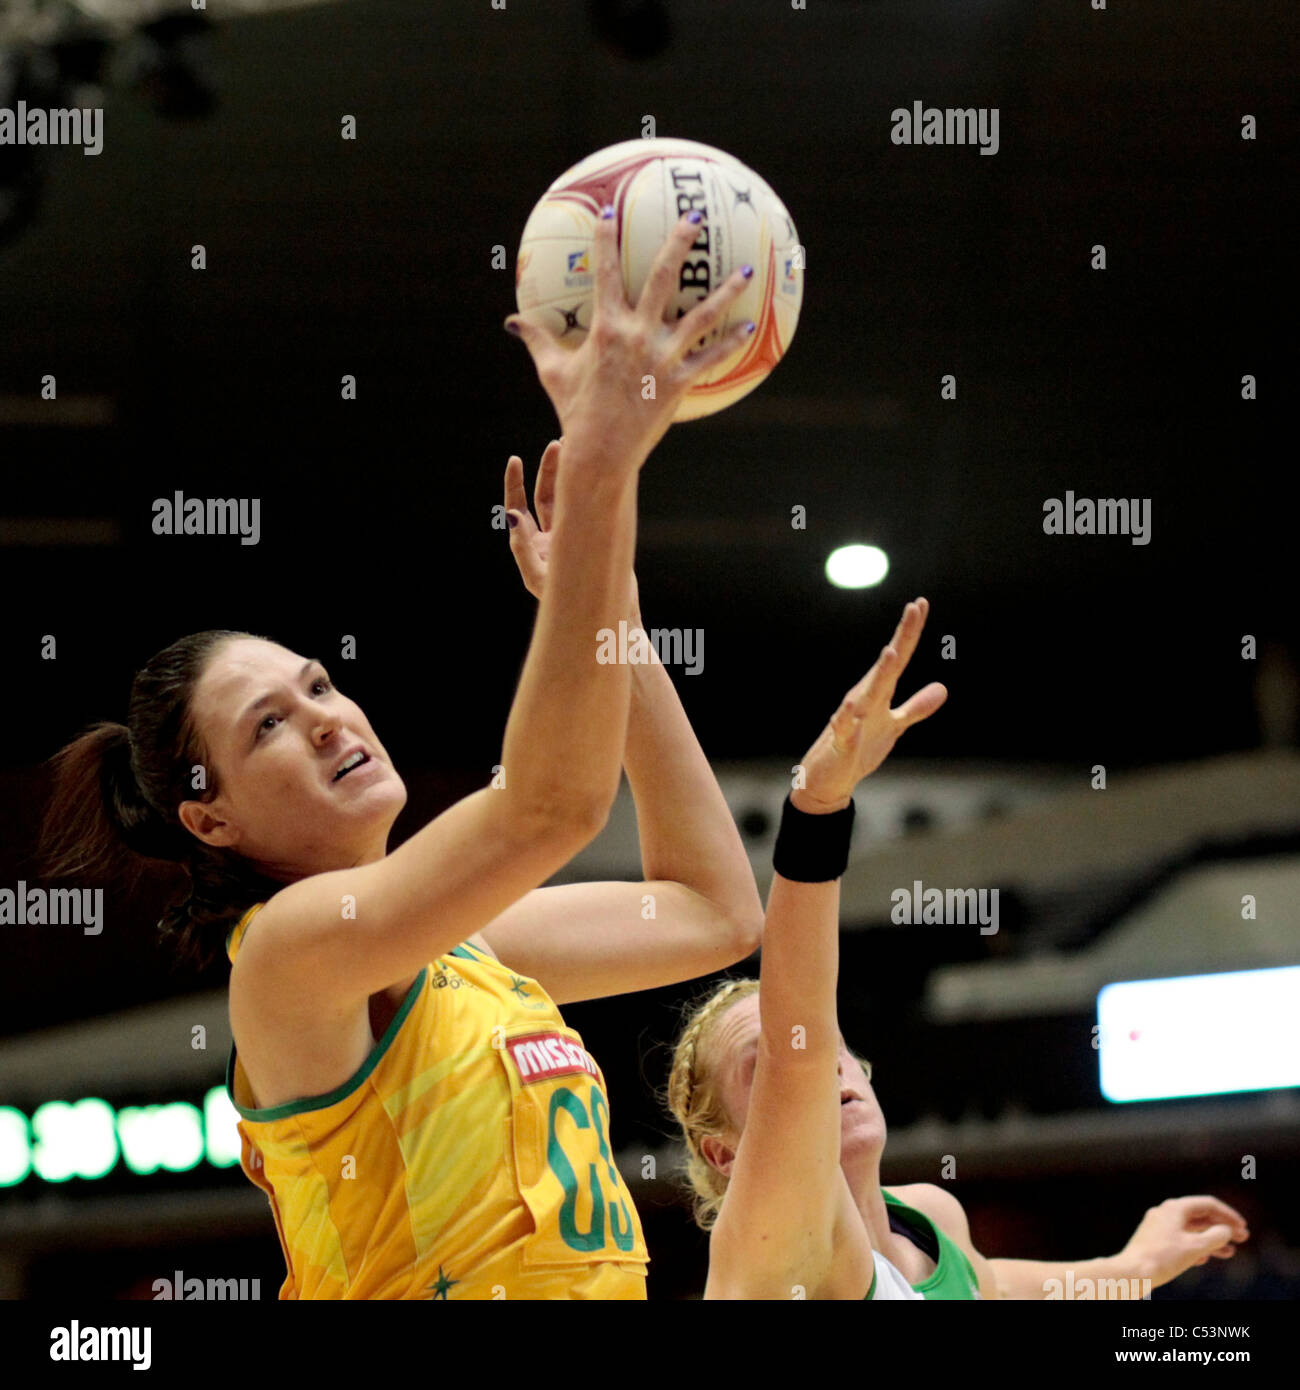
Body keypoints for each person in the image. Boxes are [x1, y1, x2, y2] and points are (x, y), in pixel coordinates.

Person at [39, 206, 765, 1299]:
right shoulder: (288, 957)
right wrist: (606, 468)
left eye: (318, 683)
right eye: (268, 725)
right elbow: (549, 809)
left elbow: (715, 908)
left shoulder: (474, 946)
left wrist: (610, 602)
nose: (326, 715)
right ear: (210, 816)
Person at [667, 598, 1250, 1299]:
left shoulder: (930, 1218)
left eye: (833, 1047)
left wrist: (1130, 1269)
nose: (819, 1065)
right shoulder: (774, 1252)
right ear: (724, 1154)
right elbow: (803, 1015)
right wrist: (817, 809)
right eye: (772, 1067)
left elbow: (990, 1285)